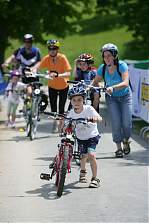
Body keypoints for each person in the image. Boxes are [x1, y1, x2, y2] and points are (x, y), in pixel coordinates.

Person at [93, 43, 132, 158]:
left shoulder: (122, 66)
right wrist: (89, 88)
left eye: (109, 55)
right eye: (104, 56)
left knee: (126, 123)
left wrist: (112, 87)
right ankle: (118, 148)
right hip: (112, 99)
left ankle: (126, 140)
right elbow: (95, 81)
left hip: (125, 97)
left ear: (115, 56)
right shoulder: (103, 68)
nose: (106, 58)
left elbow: (125, 83)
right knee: (116, 123)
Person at [64, 84, 102, 188]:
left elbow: (100, 118)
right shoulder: (71, 113)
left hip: (92, 137)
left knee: (91, 154)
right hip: (81, 138)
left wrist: (94, 118)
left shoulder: (88, 109)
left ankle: (95, 179)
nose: (76, 102)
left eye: (79, 100)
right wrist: (67, 127)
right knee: (83, 156)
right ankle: (82, 172)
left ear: (84, 100)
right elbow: (65, 125)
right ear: (70, 101)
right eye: (74, 100)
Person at [32, 39, 71, 132]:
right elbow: (39, 66)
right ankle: (55, 123)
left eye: (54, 48)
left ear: (57, 49)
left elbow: (68, 73)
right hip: (52, 86)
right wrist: (33, 69)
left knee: (61, 107)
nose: (52, 50)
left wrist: (58, 75)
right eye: (50, 48)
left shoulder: (62, 58)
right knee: (53, 107)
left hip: (63, 86)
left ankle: (61, 126)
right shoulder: (47, 58)